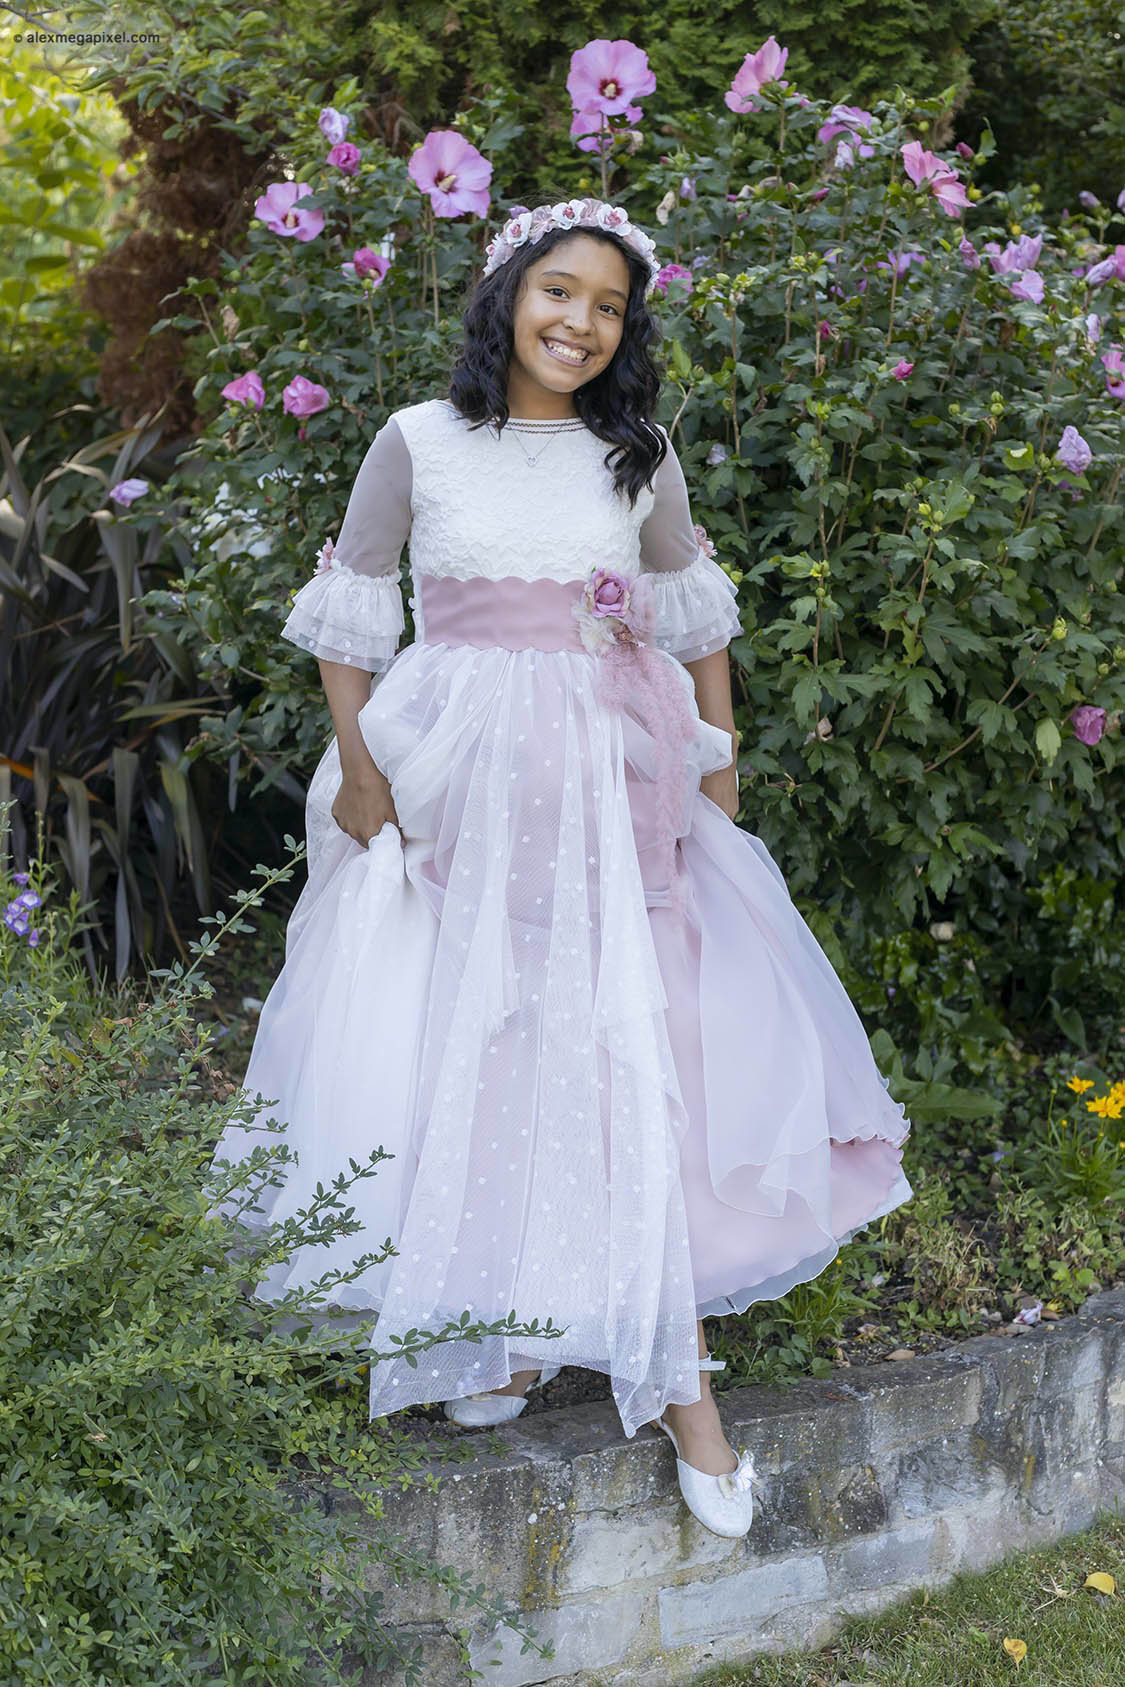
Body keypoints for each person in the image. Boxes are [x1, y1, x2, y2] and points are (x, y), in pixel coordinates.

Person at [209, 195, 912, 1541]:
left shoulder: (632, 454)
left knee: (620, 1041)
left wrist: (716, 768)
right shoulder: (417, 441)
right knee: (481, 1038)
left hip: (610, 784)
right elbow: (351, 614)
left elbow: (693, 613)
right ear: (506, 295)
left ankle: (685, 1389)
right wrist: (359, 771)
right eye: (558, 293)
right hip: (454, 783)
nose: (579, 323)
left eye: (607, 307)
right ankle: (512, 1330)